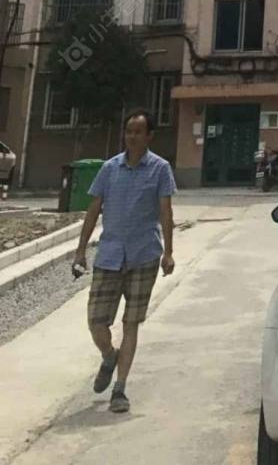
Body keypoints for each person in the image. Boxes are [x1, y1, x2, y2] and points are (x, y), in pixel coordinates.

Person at [72, 108, 176, 414]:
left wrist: (169, 252)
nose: (132, 136)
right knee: (96, 321)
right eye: (129, 131)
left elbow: (166, 211)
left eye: (138, 132)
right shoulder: (109, 169)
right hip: (109, 255)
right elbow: (94, 209)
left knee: (131, 323)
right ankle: (109, 355)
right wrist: (80, 250)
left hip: (144, 255)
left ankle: (119, 389)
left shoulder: (160, 169)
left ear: (149, 136)